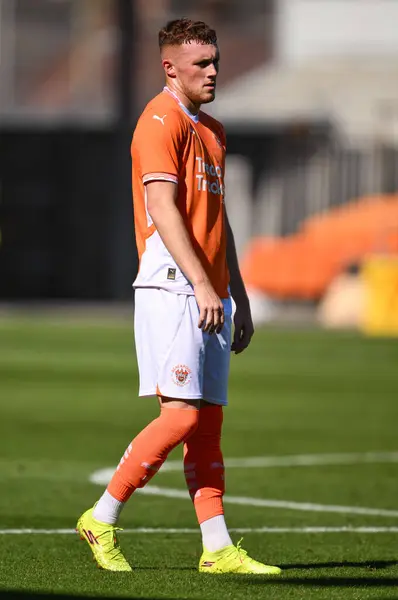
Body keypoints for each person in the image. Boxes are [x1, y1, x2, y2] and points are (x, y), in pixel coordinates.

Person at [76, 17, 281, 576]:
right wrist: (200, 283)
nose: (213, 71)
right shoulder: (158, 121)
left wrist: (236, 292)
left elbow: (220, 221)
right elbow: (164, 210)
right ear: (170, 67)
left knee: (207, 425)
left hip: (210, 292)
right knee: (182, 417)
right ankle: (101, 517)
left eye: (215, 60)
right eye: (201, 64)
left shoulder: (211, 129)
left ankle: (217, 549)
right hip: (172, 285)